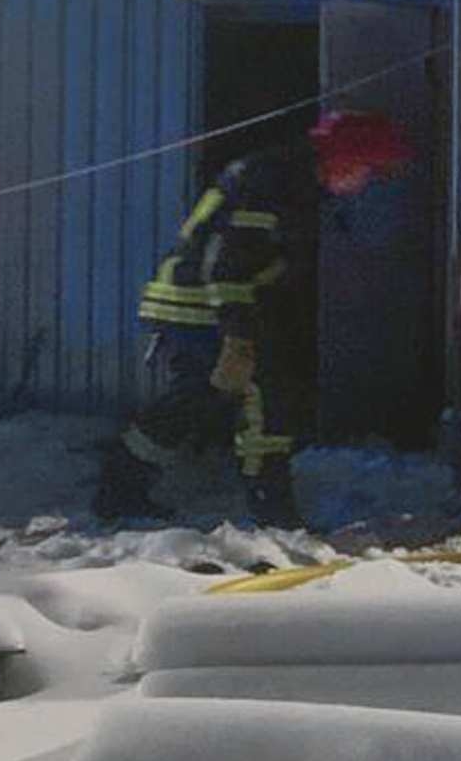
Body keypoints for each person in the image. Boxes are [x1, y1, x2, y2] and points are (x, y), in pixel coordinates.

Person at [95, 109, 416, 528]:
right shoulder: (275, 185)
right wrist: (238, 337)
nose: (364, 184)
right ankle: (271, 511)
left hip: (211, 302)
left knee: (205, 400)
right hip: (202, 305)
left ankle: (123, 490)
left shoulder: (291, 180)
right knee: (259, 399)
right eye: (366, 170)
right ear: (342, 157)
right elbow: (225, 265)